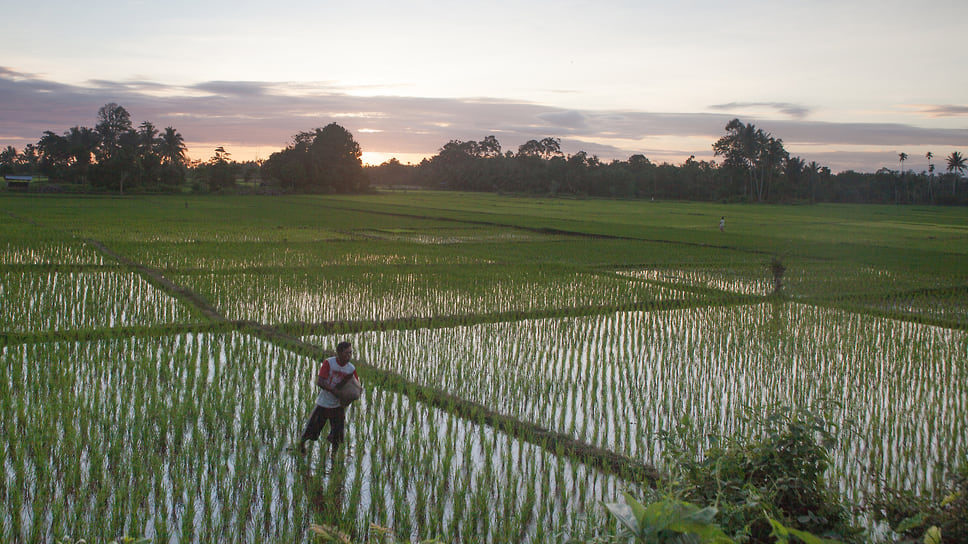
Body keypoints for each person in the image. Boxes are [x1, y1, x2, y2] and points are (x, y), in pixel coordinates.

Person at [298, 341, 359, 454]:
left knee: (337, 436)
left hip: (338, 406)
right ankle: (301, 446)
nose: (349, 356)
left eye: (350, 353)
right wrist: (335, 392)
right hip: (324, 404)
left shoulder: (351, 369)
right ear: (339, 353)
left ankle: (333, 458)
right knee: (311, 430)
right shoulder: (329, 363)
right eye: (346, 353)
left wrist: (351, 396)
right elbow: (320, 381)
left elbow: (355, 385)